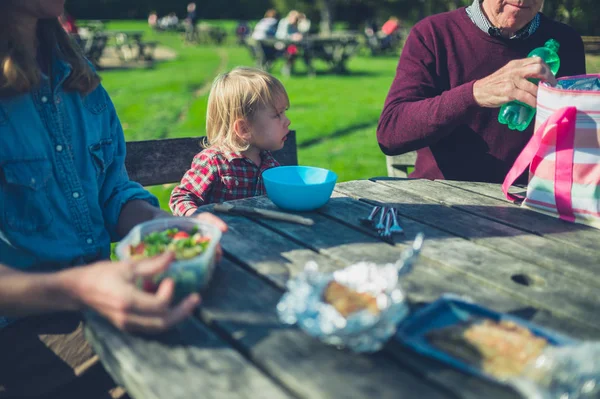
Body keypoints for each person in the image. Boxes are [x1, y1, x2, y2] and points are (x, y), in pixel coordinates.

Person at [0, 0, 227, 397]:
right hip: (23, 330)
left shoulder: (78, 78)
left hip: (100, 300)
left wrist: (165, 227)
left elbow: (113, 192)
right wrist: (80, 287)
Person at [377, 0, 586, 183]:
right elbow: (391, 132)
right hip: (442, 202)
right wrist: (475, 94)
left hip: (532, 201)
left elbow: (579, 136)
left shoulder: (565, 42)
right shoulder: (433, 33)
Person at [170, 67, 291, 216]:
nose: (288, 121)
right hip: (223, 236)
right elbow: (181, 198)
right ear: (244, 129)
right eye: (278, 115)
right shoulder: (214, 162)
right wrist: (197, 217)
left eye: (284, 112)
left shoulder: (270, 164)